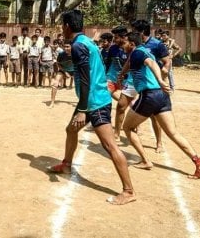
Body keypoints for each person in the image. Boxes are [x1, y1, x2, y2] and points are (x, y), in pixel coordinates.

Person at [49, 10, 136, 205]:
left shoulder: (79, 46)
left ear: (67, 26)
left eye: (62, 25)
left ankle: (128, 191)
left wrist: (82, 109)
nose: (61, 29)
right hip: (92, 99)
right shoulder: (87, 43)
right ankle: (67, 164)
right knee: (71, 129)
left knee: (109, 145)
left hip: (94, 102)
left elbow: (86, 79)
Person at [121, 32, 200, 179]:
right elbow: (146, 63)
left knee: (127, 127)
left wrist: (161, 80)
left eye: (124, 43)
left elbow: (151, 63)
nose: (122, 45)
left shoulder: (137, 52)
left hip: (149, 95)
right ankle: (199, 163)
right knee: (173, 133)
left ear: (131, 43)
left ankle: (145, 160)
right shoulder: (143, 51)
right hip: (162, 96)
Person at [131, 20, 169, 153]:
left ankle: (159, 142)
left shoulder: (157, 44)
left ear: (141, 32)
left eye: (134, 30)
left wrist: (164, 70)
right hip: (138, 81)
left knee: (155, 115)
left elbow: (167, 60)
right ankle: (137, 128)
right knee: (135, 106)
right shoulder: (135, 44)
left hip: (152, 83)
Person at [109, 26, 138, 143]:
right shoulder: (114, 49)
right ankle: (116, 133)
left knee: (151, 113)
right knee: (120, 105)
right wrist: (120, 75)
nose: (114, 40)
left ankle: (159, 142)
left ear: (124, 38)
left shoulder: (134, 49)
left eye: (116, 37)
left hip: (136, 82)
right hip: (121, 79)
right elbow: (109, 62)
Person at [49, 41, 74, 108]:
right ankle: (52, 103)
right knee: (55, 84)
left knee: (83, 85)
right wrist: (65, 72)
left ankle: (83, 103)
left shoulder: (76, 54)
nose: (66, 48)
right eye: (64, 47)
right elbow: (58, 64)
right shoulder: (61, 54)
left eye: (68, 47)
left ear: (72, 47)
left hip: (74, 70)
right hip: (63, 70)